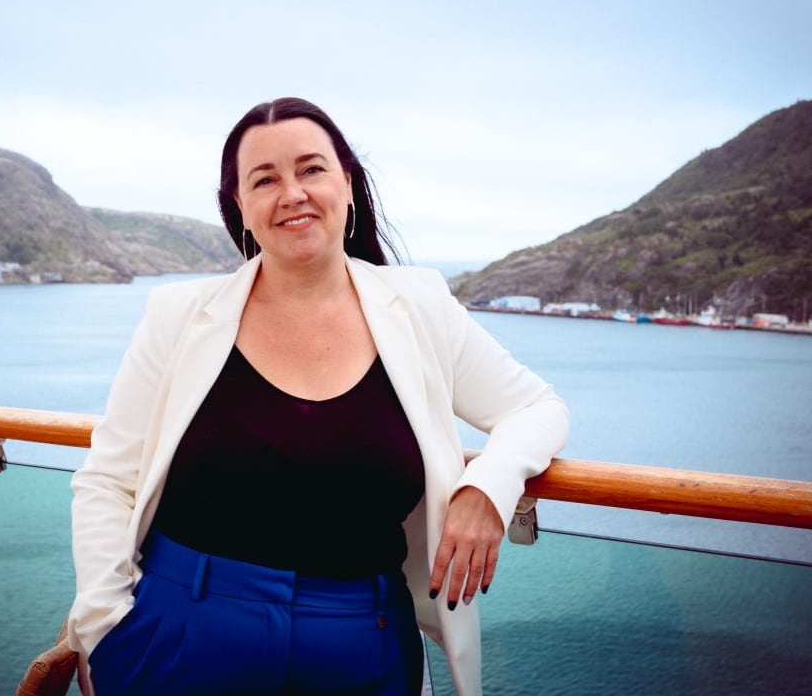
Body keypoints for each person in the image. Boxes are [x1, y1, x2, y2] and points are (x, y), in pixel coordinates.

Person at [68, 97, 569, 696]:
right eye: (265, 179)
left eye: (311, 169)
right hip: (183, 633)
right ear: (241, 208)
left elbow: (538, 408)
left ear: (348, 184)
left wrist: (488, 484)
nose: (293, 193)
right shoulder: (179, 316)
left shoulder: (420, 308)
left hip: (363, 642)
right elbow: (107, 481)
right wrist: (106, 634)